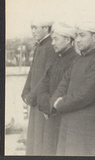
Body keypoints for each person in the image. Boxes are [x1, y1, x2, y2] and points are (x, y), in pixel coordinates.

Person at [49, 17, 95, 156]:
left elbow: (86, 94)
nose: (77, 40)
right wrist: (54, 100)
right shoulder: (77, 60)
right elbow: (63, 84)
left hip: (85, 128)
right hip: (67, 123)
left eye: (82, 35)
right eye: (76, 35)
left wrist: (59, 104)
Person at [26, 22, 79, 155]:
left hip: (60, 115)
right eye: (52, 39)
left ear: (67, 40)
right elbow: (44, 82)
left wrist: (50, 106)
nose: (53, 42)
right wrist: (45, 104)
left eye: (56, 39)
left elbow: (67, 90)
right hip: (49, 113)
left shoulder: (75, 60)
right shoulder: (56, 58)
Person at [21, 18, 56, 155]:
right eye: (32, 27)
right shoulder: (40, 46)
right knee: (34, 139)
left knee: (41, 140)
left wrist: (32, 95)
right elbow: (32, 73)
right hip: (34, 100)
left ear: (46, 28)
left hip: (41, 100)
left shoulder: (50, 47)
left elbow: (46, 76)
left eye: (36, 27)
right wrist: (25, 92)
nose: (33, 31)